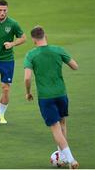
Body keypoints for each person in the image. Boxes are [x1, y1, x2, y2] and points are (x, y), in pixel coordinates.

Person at [24, 26, 79, 169]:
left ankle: (71, 160)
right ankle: (61, 157)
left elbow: (27, 78)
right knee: (62, 123)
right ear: (45, 36)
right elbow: (75, 66)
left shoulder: (31, 55)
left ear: (33, 39)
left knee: (55, 128)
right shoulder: (58, 50)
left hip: (46, 97)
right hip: (61, 94)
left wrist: (28, 92)